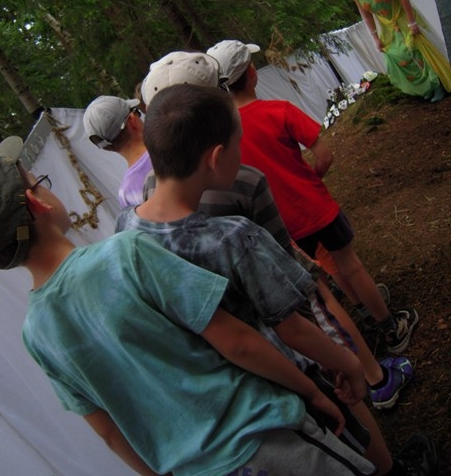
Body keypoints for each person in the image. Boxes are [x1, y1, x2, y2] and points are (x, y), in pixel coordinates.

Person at [0, 137, 379, 476]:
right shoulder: (124, 254)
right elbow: (236, 342)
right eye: (40, 183)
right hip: (262, 436)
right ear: (37, 203)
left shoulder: (35, 334)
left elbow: (109, 432)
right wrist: (311, 393)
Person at [116, 82, 436, 476]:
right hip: (285, 370)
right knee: (343, 433)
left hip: (227, 391)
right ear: (216, 158)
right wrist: (349, 363)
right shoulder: (233, 238)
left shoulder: (126, 227)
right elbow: (292, 327)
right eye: (237, 145)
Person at [138, 51, 413, 412]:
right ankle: (375, 376)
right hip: (285, 276)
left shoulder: (150, 192)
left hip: (249, 337)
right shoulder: (242, 176)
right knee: (323, 297)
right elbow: (291, 272)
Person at [206, 40, 419, 357]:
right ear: (252, 73)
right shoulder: (280, 110)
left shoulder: (224, 137)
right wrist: (311, 179)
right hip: (315, 207)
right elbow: (325, 155)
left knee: (327, 271)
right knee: (350, 264)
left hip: (281, 226)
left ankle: (363, 313)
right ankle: (390, 327)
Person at [339, 0, 451, 102]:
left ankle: (438, 84)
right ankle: (426, 87)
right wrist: (375, 37)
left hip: (403, 17)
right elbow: (367, 16)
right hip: (387, 26)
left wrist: (412, 22)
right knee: (399, 55)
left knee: (417, 49)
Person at [83, 95, 151, 207]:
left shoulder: (126, 195)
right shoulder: (172, 146)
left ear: (106, 147)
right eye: (136, 112)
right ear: (133, 120)